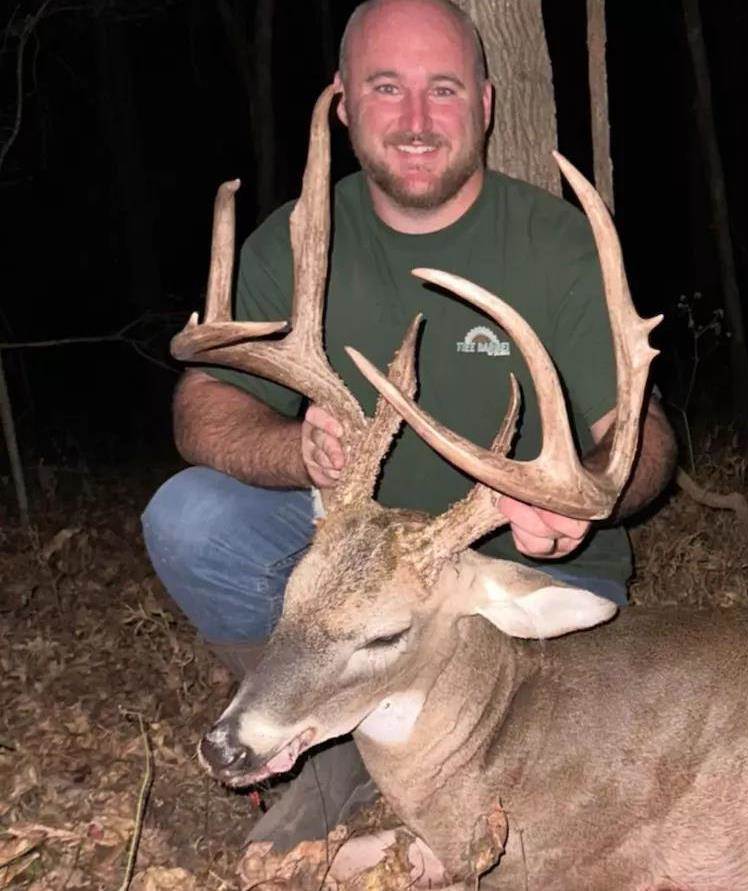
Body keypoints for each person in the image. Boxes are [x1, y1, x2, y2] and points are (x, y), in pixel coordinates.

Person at [141, 0, 676, 854]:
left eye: (445, 90)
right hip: (358, 558)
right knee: (189, 517)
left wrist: (586, 496)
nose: (418, 121)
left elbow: (642, 436)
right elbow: (202, 407)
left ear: (488, 104)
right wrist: (293, 448)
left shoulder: (553, 243)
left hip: (505, 570)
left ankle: (406, 743)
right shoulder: (296, 242)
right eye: (388, 89)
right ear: (347, 105)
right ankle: (328, 744)